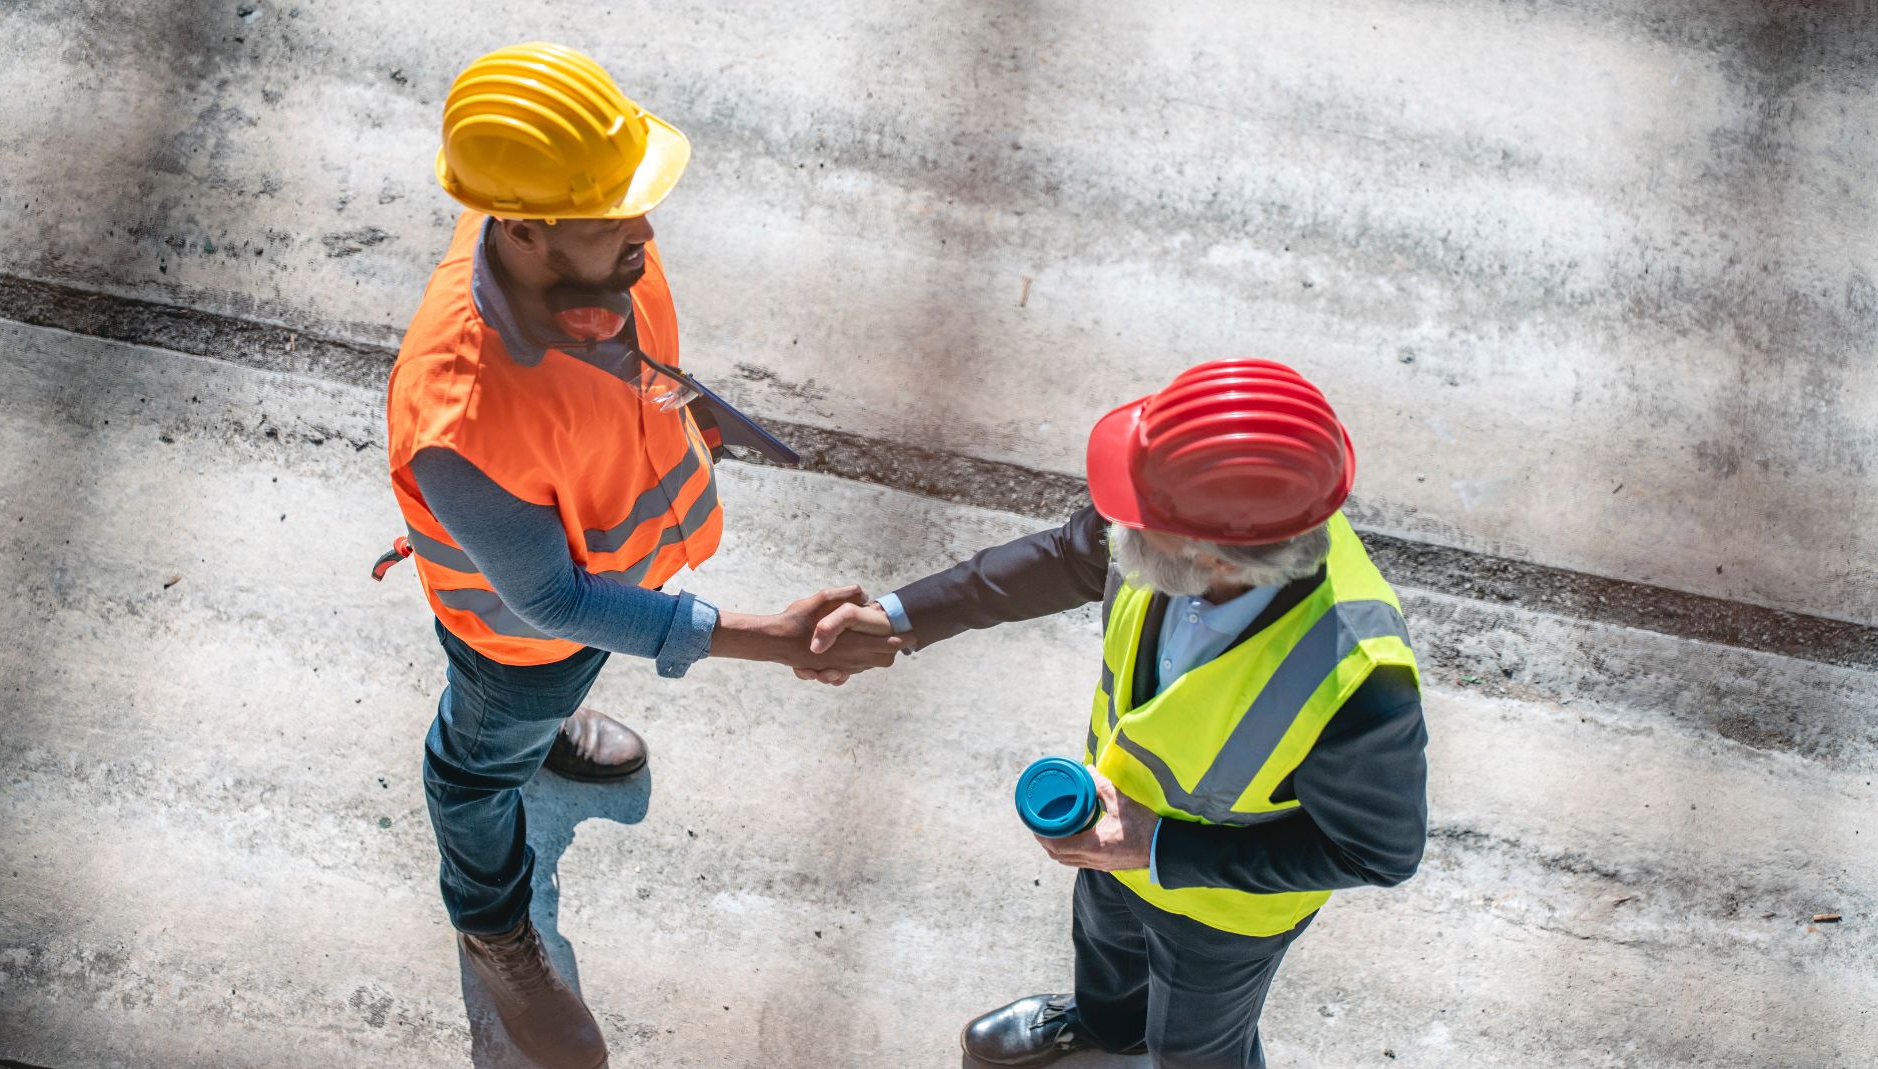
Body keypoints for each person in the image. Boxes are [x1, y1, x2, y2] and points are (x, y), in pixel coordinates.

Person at [385, 43, 901, 1069]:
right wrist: (767, 636)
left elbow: (615, 392)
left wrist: (685, 411)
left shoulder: (588, 250)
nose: (646, 229)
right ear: (522, 227)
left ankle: (544, 732)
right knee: (475, 766)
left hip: (600, 593)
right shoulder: (461, 414)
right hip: (518, 639)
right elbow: (547, 598)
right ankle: (491, 922)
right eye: (617, 213)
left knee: (544, 703)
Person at [812, 360, 1430, 1069]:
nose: (1114, 518)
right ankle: (1106, 1030)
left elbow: (1376, 852)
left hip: (1222, 914)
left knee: (1197, 1050)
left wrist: (1159, 847)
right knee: (1106, 960)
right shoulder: (1207, 525)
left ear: (1211, 551)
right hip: (1109, 835)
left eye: (1138, 512)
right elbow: (1061, 555)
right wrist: (898, 619)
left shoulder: (1358, 677)